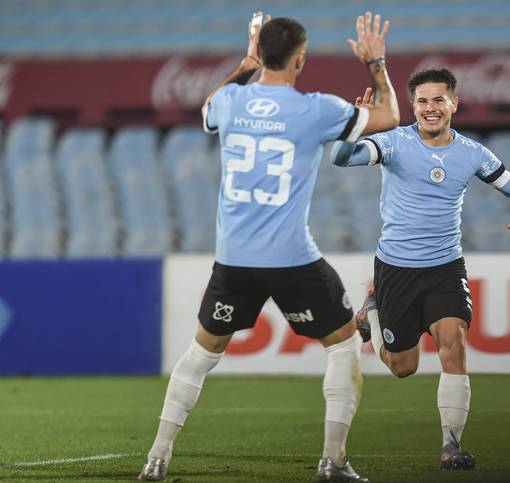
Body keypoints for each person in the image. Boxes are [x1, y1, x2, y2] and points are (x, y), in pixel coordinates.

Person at [138, 11, 399, 482]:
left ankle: (157, 457)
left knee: (199, 356)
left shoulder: (232, 102)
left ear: (263, 53)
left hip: (233, 260)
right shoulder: (316, 108)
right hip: (291, 259)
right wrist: (375, 63)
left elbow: (207, 110)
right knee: (343, 347)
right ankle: (333, 462)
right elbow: (391, 117)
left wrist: (244, 64)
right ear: (300, 59)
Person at [328, 68, 510, 471]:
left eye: (438, 100)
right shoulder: (393, 142)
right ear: (413, 106)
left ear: (453, 104)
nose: (430, 108)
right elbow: (341, 159)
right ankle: (371, 307)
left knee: (454, 342)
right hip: (396, 270)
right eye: (423, 101)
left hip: (445, 266)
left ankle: (451, 445)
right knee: (403, 367)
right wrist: (353, 127)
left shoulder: (474, 153)